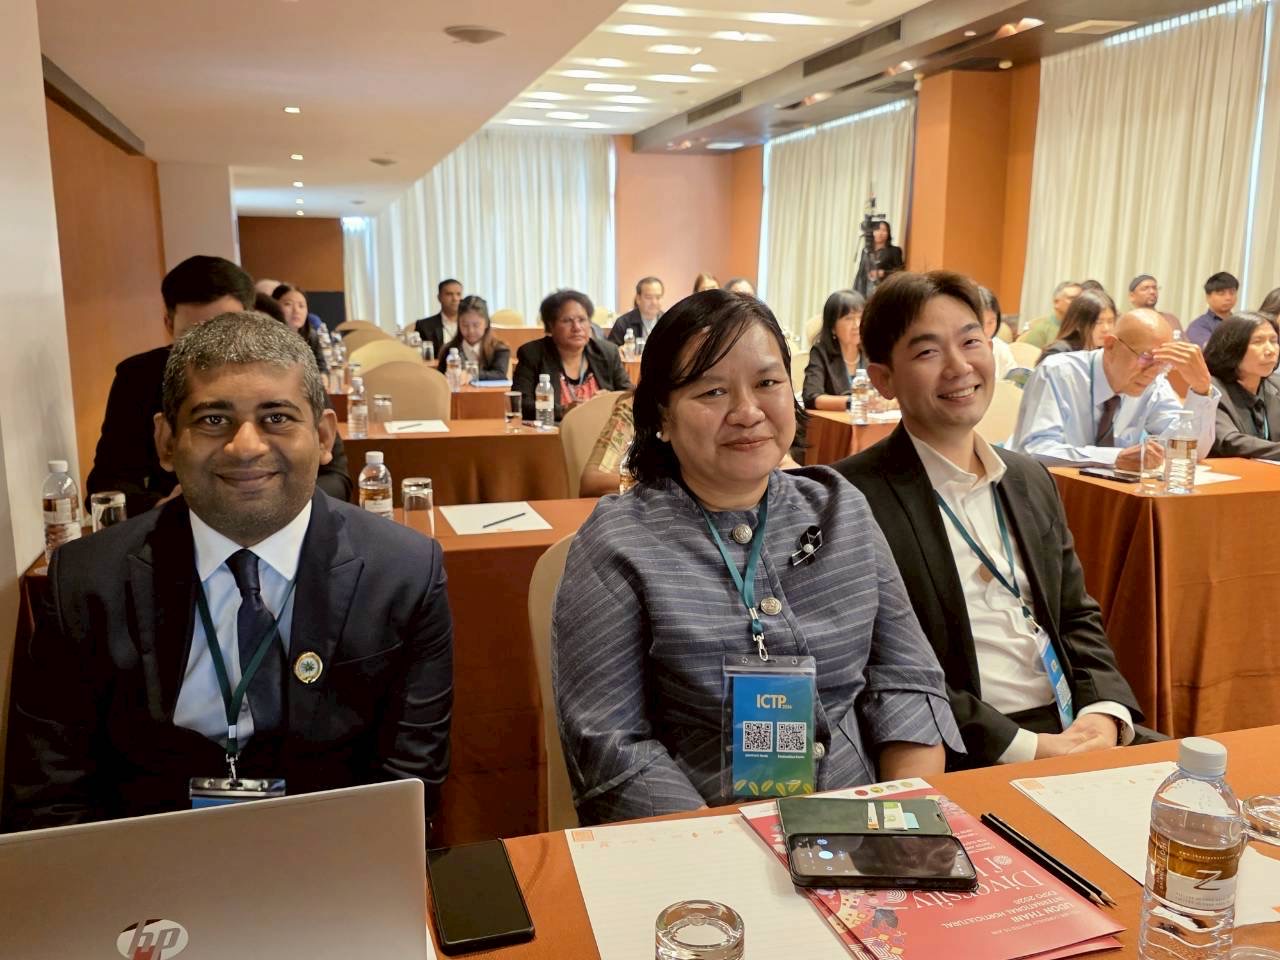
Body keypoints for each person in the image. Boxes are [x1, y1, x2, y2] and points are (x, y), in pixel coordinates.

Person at [3, 313, 453, 833]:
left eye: (277, 417)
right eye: (213, 419)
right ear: (166, 441)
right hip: (148, 858)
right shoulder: (86, 580)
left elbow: (409, 784)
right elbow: (49, 794)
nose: (246, 446)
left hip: (334, 848)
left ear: (324, 436)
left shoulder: (403, 572)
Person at [553, 289, 961, 824]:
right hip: (701, 836)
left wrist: (902, 823)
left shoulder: (840, 508)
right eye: (712, 391)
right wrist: (728, 853)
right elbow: (610, 743)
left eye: (768, 383)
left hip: (863, 819)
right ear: (662, 417)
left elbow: (907, 680)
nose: (748, 413)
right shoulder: (618, 541)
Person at [833, 271, 1145, 767]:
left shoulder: (1028, 477)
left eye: (971, 341)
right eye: (928, 352)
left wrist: (1103, 712)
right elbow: (880, 668)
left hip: (1076, 726)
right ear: (883, 379)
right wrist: (1028, 747)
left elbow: (1074, 614)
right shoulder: (851, 498)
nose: (959, 367)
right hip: (966, 748)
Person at [85, 255, 352, 516]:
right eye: (193, 336)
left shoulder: (291, 370)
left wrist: (277, 499)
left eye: (225, 331)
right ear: (168, 323)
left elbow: (336, 477)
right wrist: (164, 508)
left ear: (250, 318)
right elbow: (107, 485)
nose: (212, 350)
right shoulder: (139, 376)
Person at [1011, 309, 1218, 469]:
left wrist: (1201, 390)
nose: (1153, 372)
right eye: (1146, 357)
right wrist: (1114, 458)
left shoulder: (1154, 383)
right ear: (1110, 345)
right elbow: (1034, 450)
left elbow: (1188, 452)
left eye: (1162, 362)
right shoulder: (1058, 372)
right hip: (1048, 494)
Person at [512, 289, 632, 422]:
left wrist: (610, 399)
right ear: (551, 325)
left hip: (602, 430)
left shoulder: (607, 352)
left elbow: (630, 396)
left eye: (582, 320)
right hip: (555, 432)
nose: (577, 327)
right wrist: (563, 411)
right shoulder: (532, 354)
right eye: (567, 321)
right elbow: (520, 404)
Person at [1205, 313, 1280, 458]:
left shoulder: (1276, 384)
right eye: (1258, 342)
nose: (1270, 350)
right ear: (1232, 348)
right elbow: (1229, 442)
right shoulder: (1210, 388)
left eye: (1274, 341)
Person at [802, 290, 867, 410]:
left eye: (861, 317)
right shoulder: (821, 353)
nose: (857, 325)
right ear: (832, 327)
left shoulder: (872, 352)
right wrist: (853, 402)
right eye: (849, 318)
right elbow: (811, 397)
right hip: (835, 421)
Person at [435, 295, 511, 381]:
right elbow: (439, 379)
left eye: (476, 325)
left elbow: (500, 374)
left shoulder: (499, 348)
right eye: (465, 325)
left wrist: (471, 375)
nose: (471, 331)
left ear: (486, 323)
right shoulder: (449, 350)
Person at [1038, 289, 1117, 363]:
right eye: (1098, 322)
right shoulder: (1058, 353)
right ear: (1079, 323)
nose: (1106, 328)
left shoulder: (1109, 352)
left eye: (1110, 321)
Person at [272, 283, 328, 373]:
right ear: (273, 306)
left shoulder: (311, 335)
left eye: (301, 306)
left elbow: (321, 367)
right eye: (288, 304)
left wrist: (323, 376)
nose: (296, 310)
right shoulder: (268, 338)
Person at [1017, 281, 1082, 349]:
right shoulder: (1041, 331)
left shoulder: (1084, 327)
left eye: (1081, 298)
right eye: (1072, 298)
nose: (1080, 302)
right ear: (1056, 302)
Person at [1186, 272, 1240, 348]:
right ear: (1208, 297)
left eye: (1232, 293)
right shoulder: (1198, 325)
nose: (1228, 298)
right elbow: (1212, 350)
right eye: (1221, 293)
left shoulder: (1242, 324)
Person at [412, 279, 463, 358]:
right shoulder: (424, 326)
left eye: (458, 294)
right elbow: (420, 357)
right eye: (449, 294)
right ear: (439, 297)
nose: (455, 298)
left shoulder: (470, 325)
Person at [854, 220, 905, 296]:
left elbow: (900, 272)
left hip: (885, 290)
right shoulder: (866, 250)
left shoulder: (894, 250)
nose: (880, 233)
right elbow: (860, 273)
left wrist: (884, 273)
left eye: (884, 230)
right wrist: (855, 292)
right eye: (877, 230)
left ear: (888, 233)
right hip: (866, 291)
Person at [609, 276, 664, 345]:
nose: (654, 302)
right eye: (649, 297)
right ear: (638, 299)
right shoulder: (622, 323)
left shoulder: (669, 321)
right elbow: (611, 350)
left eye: (658, 297)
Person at [977, 286, 1017, 379]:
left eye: (991, 322)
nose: (985, 330)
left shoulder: (1001, 349)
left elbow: (1013, 380)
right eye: (980, 323)